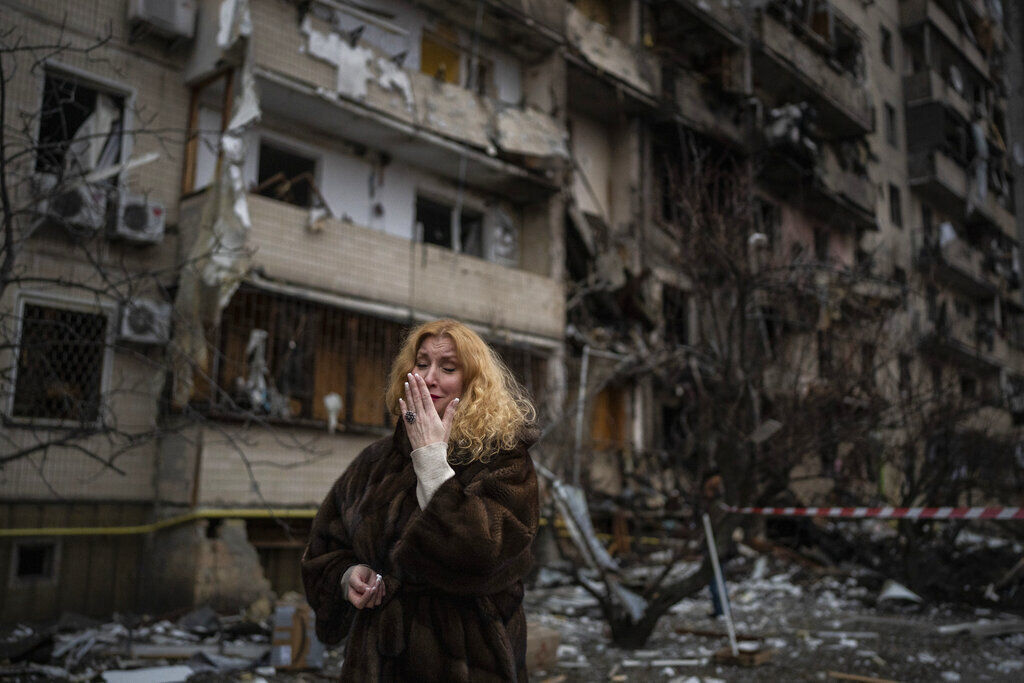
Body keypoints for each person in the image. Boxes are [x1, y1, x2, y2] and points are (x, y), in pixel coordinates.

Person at [301, 319, 539, 681]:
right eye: (422, 363)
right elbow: (324, 549)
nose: (429, 378)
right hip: (377, 663)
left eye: (448, 367)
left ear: (473, 382)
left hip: (468, 662)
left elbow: (484, 552)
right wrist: (348, 575)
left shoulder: (505, 459)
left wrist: (431, 460)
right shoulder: (376, 461)